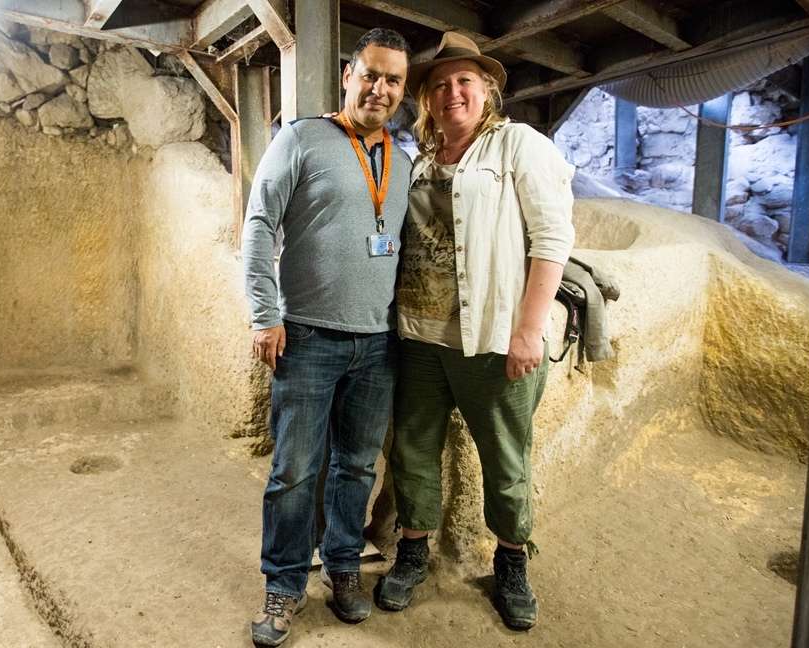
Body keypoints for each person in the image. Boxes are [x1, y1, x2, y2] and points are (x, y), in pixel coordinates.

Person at [374, 32, 575, 631]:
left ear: (486, 89)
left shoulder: (517, 146)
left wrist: (529, 330)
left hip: (489, 340)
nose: (452, 92)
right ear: (427, 100)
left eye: (464, 81)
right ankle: (413, 552)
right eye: (439, 85)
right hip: (419, 336)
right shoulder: (419, 160)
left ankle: (511, 561)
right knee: (412, 450)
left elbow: (553, 238)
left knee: (506, 458)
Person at [241, 28, 413, 647]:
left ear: (402, 89)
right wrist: (265, 315)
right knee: (294, 470)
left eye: (393, 79)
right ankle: (284, 585)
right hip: (308, 336)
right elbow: (259, 224)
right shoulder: (301, 138)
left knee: (356, 466)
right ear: (348, 75)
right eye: (370, 74)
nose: (380, 88)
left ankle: (343, 567)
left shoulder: (404, 160)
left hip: (378, 342)